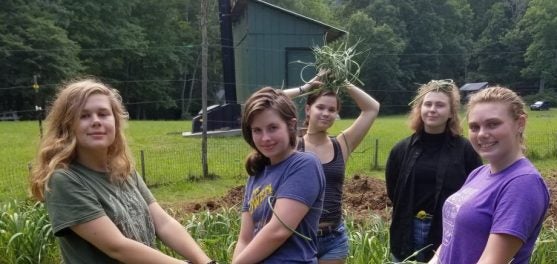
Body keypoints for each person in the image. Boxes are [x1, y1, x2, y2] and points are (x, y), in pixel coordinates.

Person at [29, 78, 215, 264]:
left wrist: (205, 262)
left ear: (115, 122)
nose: (96, 121)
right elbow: (117, 247)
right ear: (67, 125)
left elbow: (163, 223)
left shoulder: (123, 170)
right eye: (84, 116)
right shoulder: (64, 180)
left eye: (103, 114)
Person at [429, 86, 550, 264]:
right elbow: (450, 242)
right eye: (474, 127)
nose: (482, 134)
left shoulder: (523, 183)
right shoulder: (479, 173)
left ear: (520, 123)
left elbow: (492, 261)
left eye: (493, 124)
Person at [283, 71, 380, 264]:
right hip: (299, 236)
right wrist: (306, 87)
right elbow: (268, 101)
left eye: (332, 109)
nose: (326, 113)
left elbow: (372, 108)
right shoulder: (292, 144)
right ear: (308, 109)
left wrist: (342, 82)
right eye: (320, 107)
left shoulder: (342, 143)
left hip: (333, 238)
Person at [385, 79, 482, 262]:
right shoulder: (401, 149)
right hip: (406, 229)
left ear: (451, 113)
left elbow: (476, 191)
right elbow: (393, 191)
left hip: (447, 230)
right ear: (419, 109)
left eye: (440, 105)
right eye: (427, 104)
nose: (432, 109)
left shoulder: (465, 150)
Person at [233, 87, 326, 264]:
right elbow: (245, 238)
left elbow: (278, 231)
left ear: (291, 125)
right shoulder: (255, 176)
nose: (265, 137)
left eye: (273, 127)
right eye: (257, 130)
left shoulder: (304, 165)